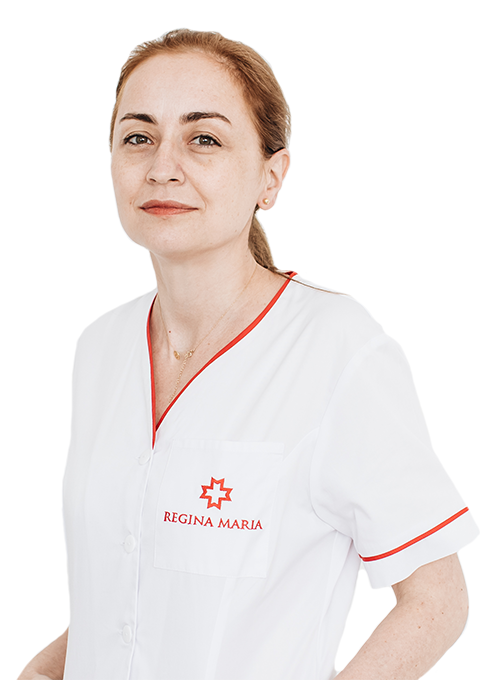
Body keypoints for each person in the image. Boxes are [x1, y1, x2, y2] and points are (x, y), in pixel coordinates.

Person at [19, 28, 479, 680]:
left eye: (203, 138)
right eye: (138, 137)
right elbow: (130, 583)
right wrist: (38, 670)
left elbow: (438, 600)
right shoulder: (102, 349)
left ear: (271, 177)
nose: (162, 166)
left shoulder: (335, 349)